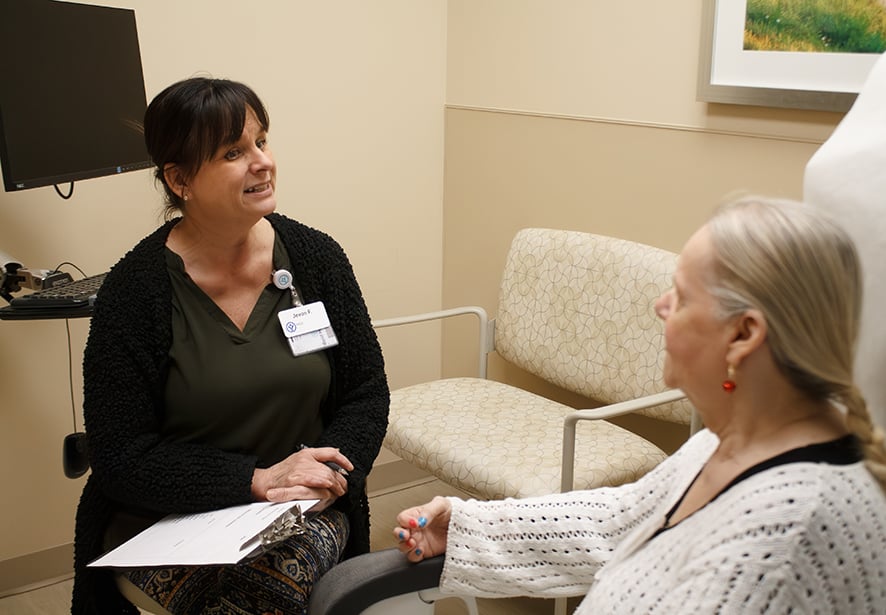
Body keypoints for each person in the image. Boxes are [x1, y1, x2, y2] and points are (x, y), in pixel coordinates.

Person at [394, 196, 886, 613]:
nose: (660, 305)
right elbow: (620, 519)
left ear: (743, 335)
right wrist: (465, 528)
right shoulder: (726, 442)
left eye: (683, 294)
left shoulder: (783, 543)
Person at [72, 77, 389, 614]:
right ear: (180, 179)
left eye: (262, 142)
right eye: (233, 152)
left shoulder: (315, 258)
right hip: (168, 518)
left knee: (264, 593)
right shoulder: (137, 290)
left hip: (299, 509)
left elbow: (366, 390)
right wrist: (255, 479)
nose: (262, 162)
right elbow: (120, 453)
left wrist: (328, 472)